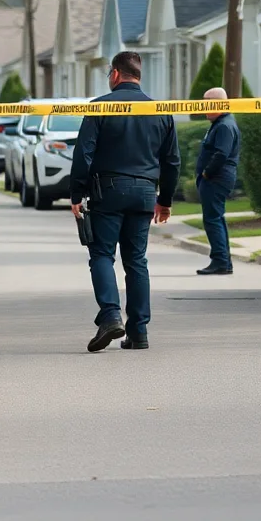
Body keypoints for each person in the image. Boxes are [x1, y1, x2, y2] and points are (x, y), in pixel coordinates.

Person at [70, 51, 180, 353]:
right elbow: (172, 161)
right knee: (136, 261)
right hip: (145, 192)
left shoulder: (100, 107)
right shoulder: (161, 110)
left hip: (108, 191)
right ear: (138, 76)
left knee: (103, 256)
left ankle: (110, 316)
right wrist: (165, 200)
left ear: (115, 74)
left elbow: (84, 153)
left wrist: (76, 194)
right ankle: (139, 332)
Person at [195, 87, 241, 276]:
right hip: (216, 178)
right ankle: (223, 261)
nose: (204, 108)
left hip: (216, 178)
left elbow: (221, 153)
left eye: (207, 103)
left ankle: (220, 261)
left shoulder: (224, 126)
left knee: (213, 220)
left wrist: (206, 173)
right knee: (216, 219)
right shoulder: (220, 123)